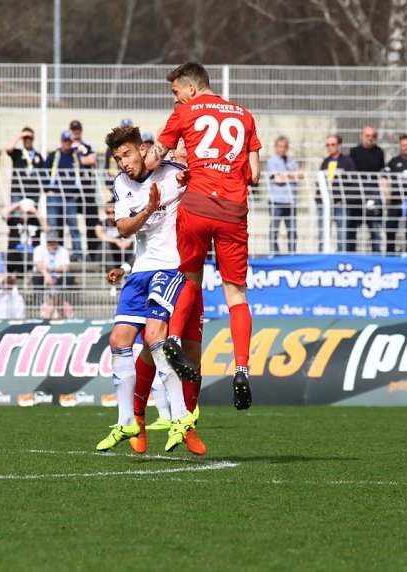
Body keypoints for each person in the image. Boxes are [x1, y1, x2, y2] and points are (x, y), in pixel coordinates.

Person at [144, 61, 261, 411]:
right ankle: (241, 369)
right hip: (233, 211)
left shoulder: (185, 113)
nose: (175, 98)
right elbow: (253, 174)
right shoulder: (244, 116)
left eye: (176, 92)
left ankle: (174, 338)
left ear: (191, 88)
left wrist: (175, 158)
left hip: (196, 208)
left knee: (188, 277)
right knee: (236, 293)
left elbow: (152, 161)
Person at [97, 124, 201, 455]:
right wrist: (148, 209)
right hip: (140, 269)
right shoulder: (121, 183)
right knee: (118, 341)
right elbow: (125, 228)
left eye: (126, 154)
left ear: (143, 149)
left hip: (170, 266)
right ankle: (126, 419)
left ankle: (181, 418)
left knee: (156, 338)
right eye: (117, 158)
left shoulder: (174, 173)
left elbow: (198, 174)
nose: (123, 163)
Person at [45, 130, 85, 260]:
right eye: (65, 141)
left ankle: (78, 254)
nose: (67, 144)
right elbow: (44, 172)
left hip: (70, 197)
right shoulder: (53, 155)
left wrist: (77, 193)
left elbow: (82, 174)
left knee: (73, 227)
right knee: (53, 226)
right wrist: (47, 190)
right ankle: (53, 254)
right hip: (54, 195)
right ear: (61, 141)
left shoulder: (75, 156)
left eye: (69, 141)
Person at [348, 125, 385, 252]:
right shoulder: (354, 152)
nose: (370, 139)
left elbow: (381, 172)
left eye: (373, 136)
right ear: (361, 136)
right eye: (367, 136)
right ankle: (350, 254)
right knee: (352, 226)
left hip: (373, 192)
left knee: (375, 226)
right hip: (358, 192)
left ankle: (376, 255)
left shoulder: (379, 152)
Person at [69, 120, 102, 261]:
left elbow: (92, 160)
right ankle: (75, 253)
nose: (76, 132)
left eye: (78, 129)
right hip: (71, 188)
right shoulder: (67, 146)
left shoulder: (87, 146)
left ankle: (93, 253)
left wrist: (78, 158)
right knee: (71, 222)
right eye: (74, 129)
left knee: (92, 221)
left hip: (87, 188)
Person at [265, 136, 302, 255]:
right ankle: (274, 254)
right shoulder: (271, 161)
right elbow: (277, 179)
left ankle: (292, 254)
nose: (282, 149)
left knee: (292, 230)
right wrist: (291, 175)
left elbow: (300, 175)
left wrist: (285, 175)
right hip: (276, 201)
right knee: (274, 230)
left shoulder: (291, 161)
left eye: (285, 147)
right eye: (280, 146)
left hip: (290, 202)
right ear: (276, 147)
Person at [318, 133, 356, 251]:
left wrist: (346, 199)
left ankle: (341, 259)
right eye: (328, 145)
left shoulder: (347, 162)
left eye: (333, 144)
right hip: (325, 204)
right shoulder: (325, 162)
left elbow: (353, 182)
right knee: (323, 233)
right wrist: (319, 200)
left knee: (342, 234)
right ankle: (322, 257)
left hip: (341, 204)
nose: (330, 147)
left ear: (339, 145)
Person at [381, 134, 407, 254]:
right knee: (391, 227)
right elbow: (384, 177)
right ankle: (390, 253)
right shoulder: (394, 162)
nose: (405, 148)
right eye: (403, 145)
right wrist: (387, 195)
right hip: (396, 200)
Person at [1, 198, 46, 280]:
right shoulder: (14, 220)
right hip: (15, 253)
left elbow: (47, 229)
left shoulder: (36, 221)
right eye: (23, 211)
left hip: (31, 253)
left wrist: (36, 213)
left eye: (28, 212)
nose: (25, 213)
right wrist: (16, 205)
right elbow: (3, 213)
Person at [32, 231, 73, 319]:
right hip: (44, 277)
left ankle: (63, 301)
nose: (51, 244)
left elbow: (66, 267)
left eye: (53, 242)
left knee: (69, 277)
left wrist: (53, 270)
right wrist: (47, 274)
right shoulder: (39, 249)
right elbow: (39, 266)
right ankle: (40, 303)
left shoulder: (63, 250)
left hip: (58, 277)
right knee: (38, 277)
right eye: (49, 242)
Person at [5, 127, 45, 203]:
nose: (27, 140)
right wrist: (20, 135)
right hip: (18, 191)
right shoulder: (18, 153)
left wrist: (40, 188)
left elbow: (42, 173)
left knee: (31, 214)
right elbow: (8, 148)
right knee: (17, 214)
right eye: (25, 138)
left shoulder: (38, 156)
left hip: (33, 192)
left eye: (30, 138)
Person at [95, 201, 134, 270]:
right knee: (105, 246)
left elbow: (133, 234)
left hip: (122, 249)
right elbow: (100, 235)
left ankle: (128, 270)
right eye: (108, 213)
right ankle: (112, 271)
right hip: (107, 253)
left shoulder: (122, 222)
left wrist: (129, 241)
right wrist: (116, 241)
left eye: (113, 212)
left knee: (133, 245)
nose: (111, 215)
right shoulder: (101, 223)